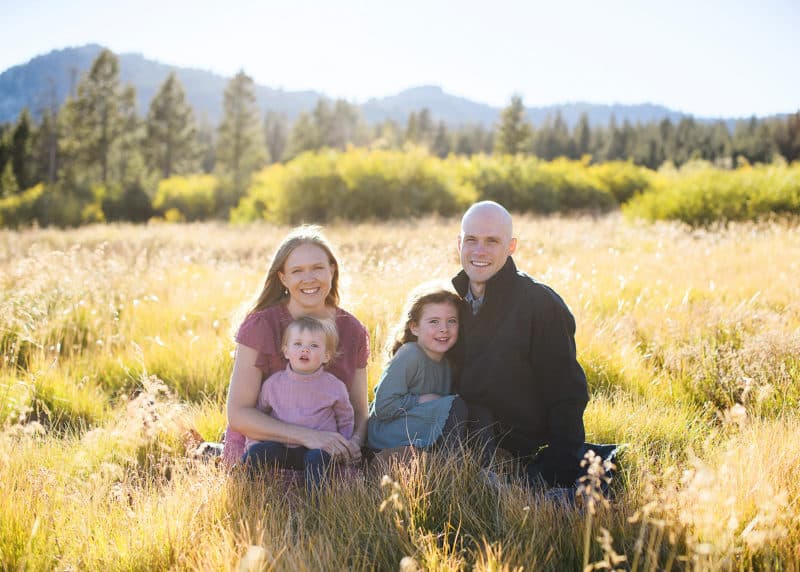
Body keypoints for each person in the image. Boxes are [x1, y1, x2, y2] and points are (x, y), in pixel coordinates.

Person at [451, 201, 590, 487]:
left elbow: (567, 394)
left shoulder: (540, 305)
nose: (480, 251)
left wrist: (557, 471)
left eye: (492, 241)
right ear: (459, 243)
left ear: (511, 246)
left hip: (520, 450)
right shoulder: (448, 303)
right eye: (472, 240)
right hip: (460, 436)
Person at [223, 225, 369, 469]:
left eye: (318, 268)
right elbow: (238, 414)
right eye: (297, 270)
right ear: (283, 278)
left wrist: (354, 442)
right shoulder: (261, 325)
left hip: (326, 458)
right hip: (267, 452)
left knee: (331, 497)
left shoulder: (352, 329)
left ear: (332, 270)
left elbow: (359, 411)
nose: (309, 278)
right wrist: (308, 436)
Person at [242, 316, 354, 489]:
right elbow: (259, 414)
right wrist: (253, 444)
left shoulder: (334, 386)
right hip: (282, 446)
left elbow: (345, 417)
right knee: (256, 454)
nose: (305, 350)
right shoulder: (273, 384)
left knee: (317, 462)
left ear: (326, 356)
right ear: (286, 351)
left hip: (318, 450)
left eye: (313, 345)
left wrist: (343, 446)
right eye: (298, 344)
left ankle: (316, 506)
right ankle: (245, 492)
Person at [367, 284, 470, 452]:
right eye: (434, 322)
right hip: (385, 434)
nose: (444, 329)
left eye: (451, 321)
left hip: (416, 428)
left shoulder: (447, 363)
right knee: (456, 405)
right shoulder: (410, 354)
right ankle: (449, 465)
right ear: (414, 327)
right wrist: (421, 400)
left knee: (476, 412)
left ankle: (484, 467)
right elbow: (383, 407)